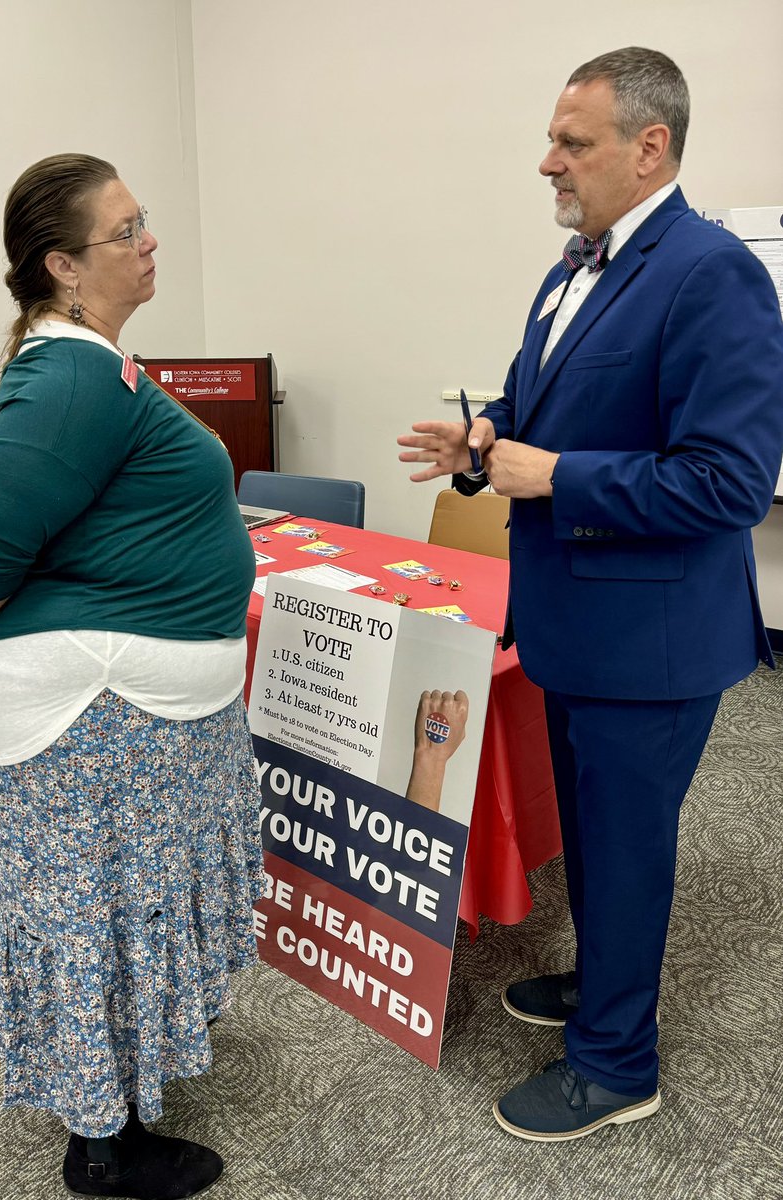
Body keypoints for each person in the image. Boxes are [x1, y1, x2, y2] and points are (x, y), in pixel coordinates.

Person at [398, 47, 783, 1141]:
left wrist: (551, 473)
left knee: (625, 844)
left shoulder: (711, 272)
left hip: (652, 640)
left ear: (649, 145)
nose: (547, 162)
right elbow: (537, 413)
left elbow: (729, 480)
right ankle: (601, 986)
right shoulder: (575, 267)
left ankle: (618, 1065)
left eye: (573, 142)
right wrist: (482, 446)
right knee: (600, 840)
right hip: (575, 625)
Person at [0, 155, 265, 1197]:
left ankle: (114, 1107)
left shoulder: (91, 361)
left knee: (115, 909)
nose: (149, 242)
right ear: (64, 265)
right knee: (99, 918)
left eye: (144, 223)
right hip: (96, 707)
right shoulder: (72, 373)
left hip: (124, 699)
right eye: (125, 231)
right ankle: (103, 1146)